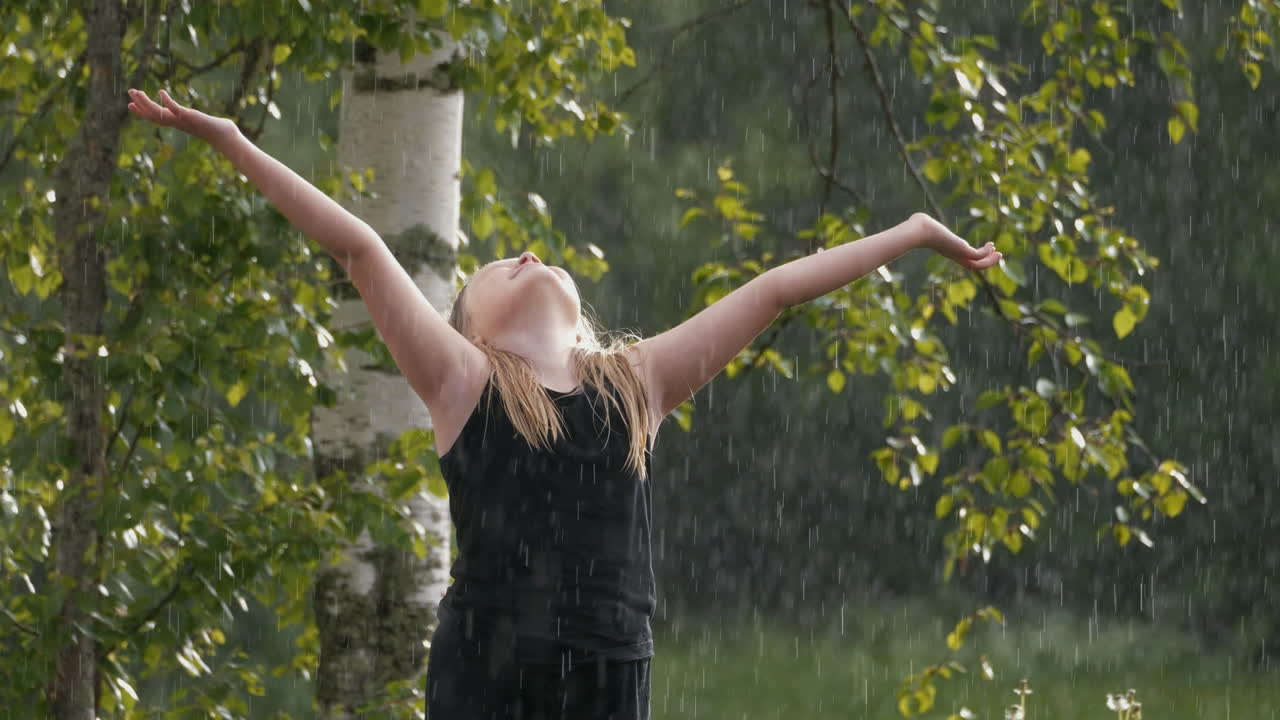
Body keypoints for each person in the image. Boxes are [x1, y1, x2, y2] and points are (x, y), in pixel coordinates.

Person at [127, 87, 1001, 719]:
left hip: (611, 676)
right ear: (470, 331)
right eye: (501, 265)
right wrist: (231, 139)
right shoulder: (464, 382)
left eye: (533, 256)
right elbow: (358, 246)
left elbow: (776, 289)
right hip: (486, 674)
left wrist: (915, 232)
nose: (528, 254)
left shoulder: (638, 385)